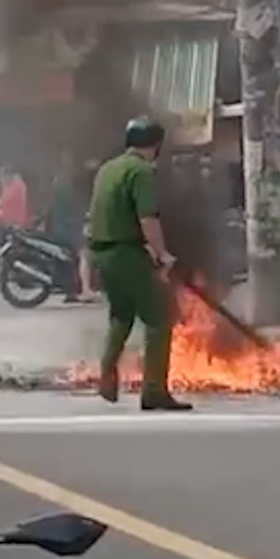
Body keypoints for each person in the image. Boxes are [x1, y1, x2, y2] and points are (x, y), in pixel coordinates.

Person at [88, 117, 191, 411]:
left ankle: (107, 371)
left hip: (102, 252)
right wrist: (162, 254)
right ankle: (154, 390)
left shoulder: (108, 169)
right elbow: (148, 218)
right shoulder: (141, 171)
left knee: (121, 315)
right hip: (126, 253)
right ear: (156, 145)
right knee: (161, 317)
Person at [49, 154, 96, 303]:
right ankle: (86, 289)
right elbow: (71, 207)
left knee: (70, 259)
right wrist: (83, 216)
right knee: (84, 253)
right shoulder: (65, 185)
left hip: (60, 224)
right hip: (68, 226)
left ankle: (71, 290)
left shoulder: (58, 182)